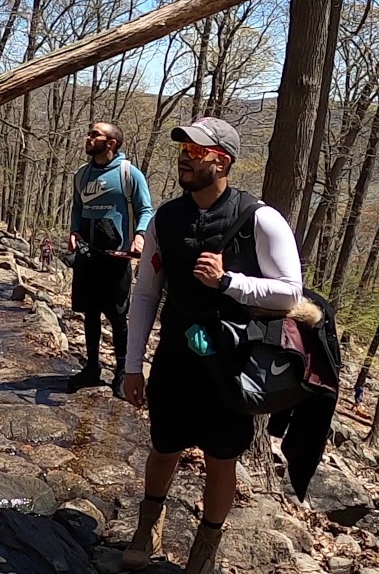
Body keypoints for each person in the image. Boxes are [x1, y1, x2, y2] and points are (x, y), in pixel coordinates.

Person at [120, 117, 302, 573]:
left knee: (222, 459)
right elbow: (146, 293)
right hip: (176, 356)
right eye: (183, 149)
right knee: (164, 447)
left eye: (196, 151)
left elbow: (290, 292)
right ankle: (148, 526)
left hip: (233, 361)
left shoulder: (260, 218)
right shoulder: (167, 217)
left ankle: (205, 549)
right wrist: (131, 364)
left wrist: (229, 282)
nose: (185, 157)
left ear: (222, 161)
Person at [68, 121, 153, 396]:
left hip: (116, 258)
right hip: (87, 256)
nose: (88, 138)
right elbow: (77, 207)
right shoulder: (82, 174)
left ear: (111, 143)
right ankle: (92, 368)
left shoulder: (130, 174)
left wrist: (140, 236)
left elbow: (146, 209)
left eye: (95, 134)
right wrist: (73, 232)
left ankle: (120, 373)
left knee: (117, 317)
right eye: (90, 133)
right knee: (89, 314)